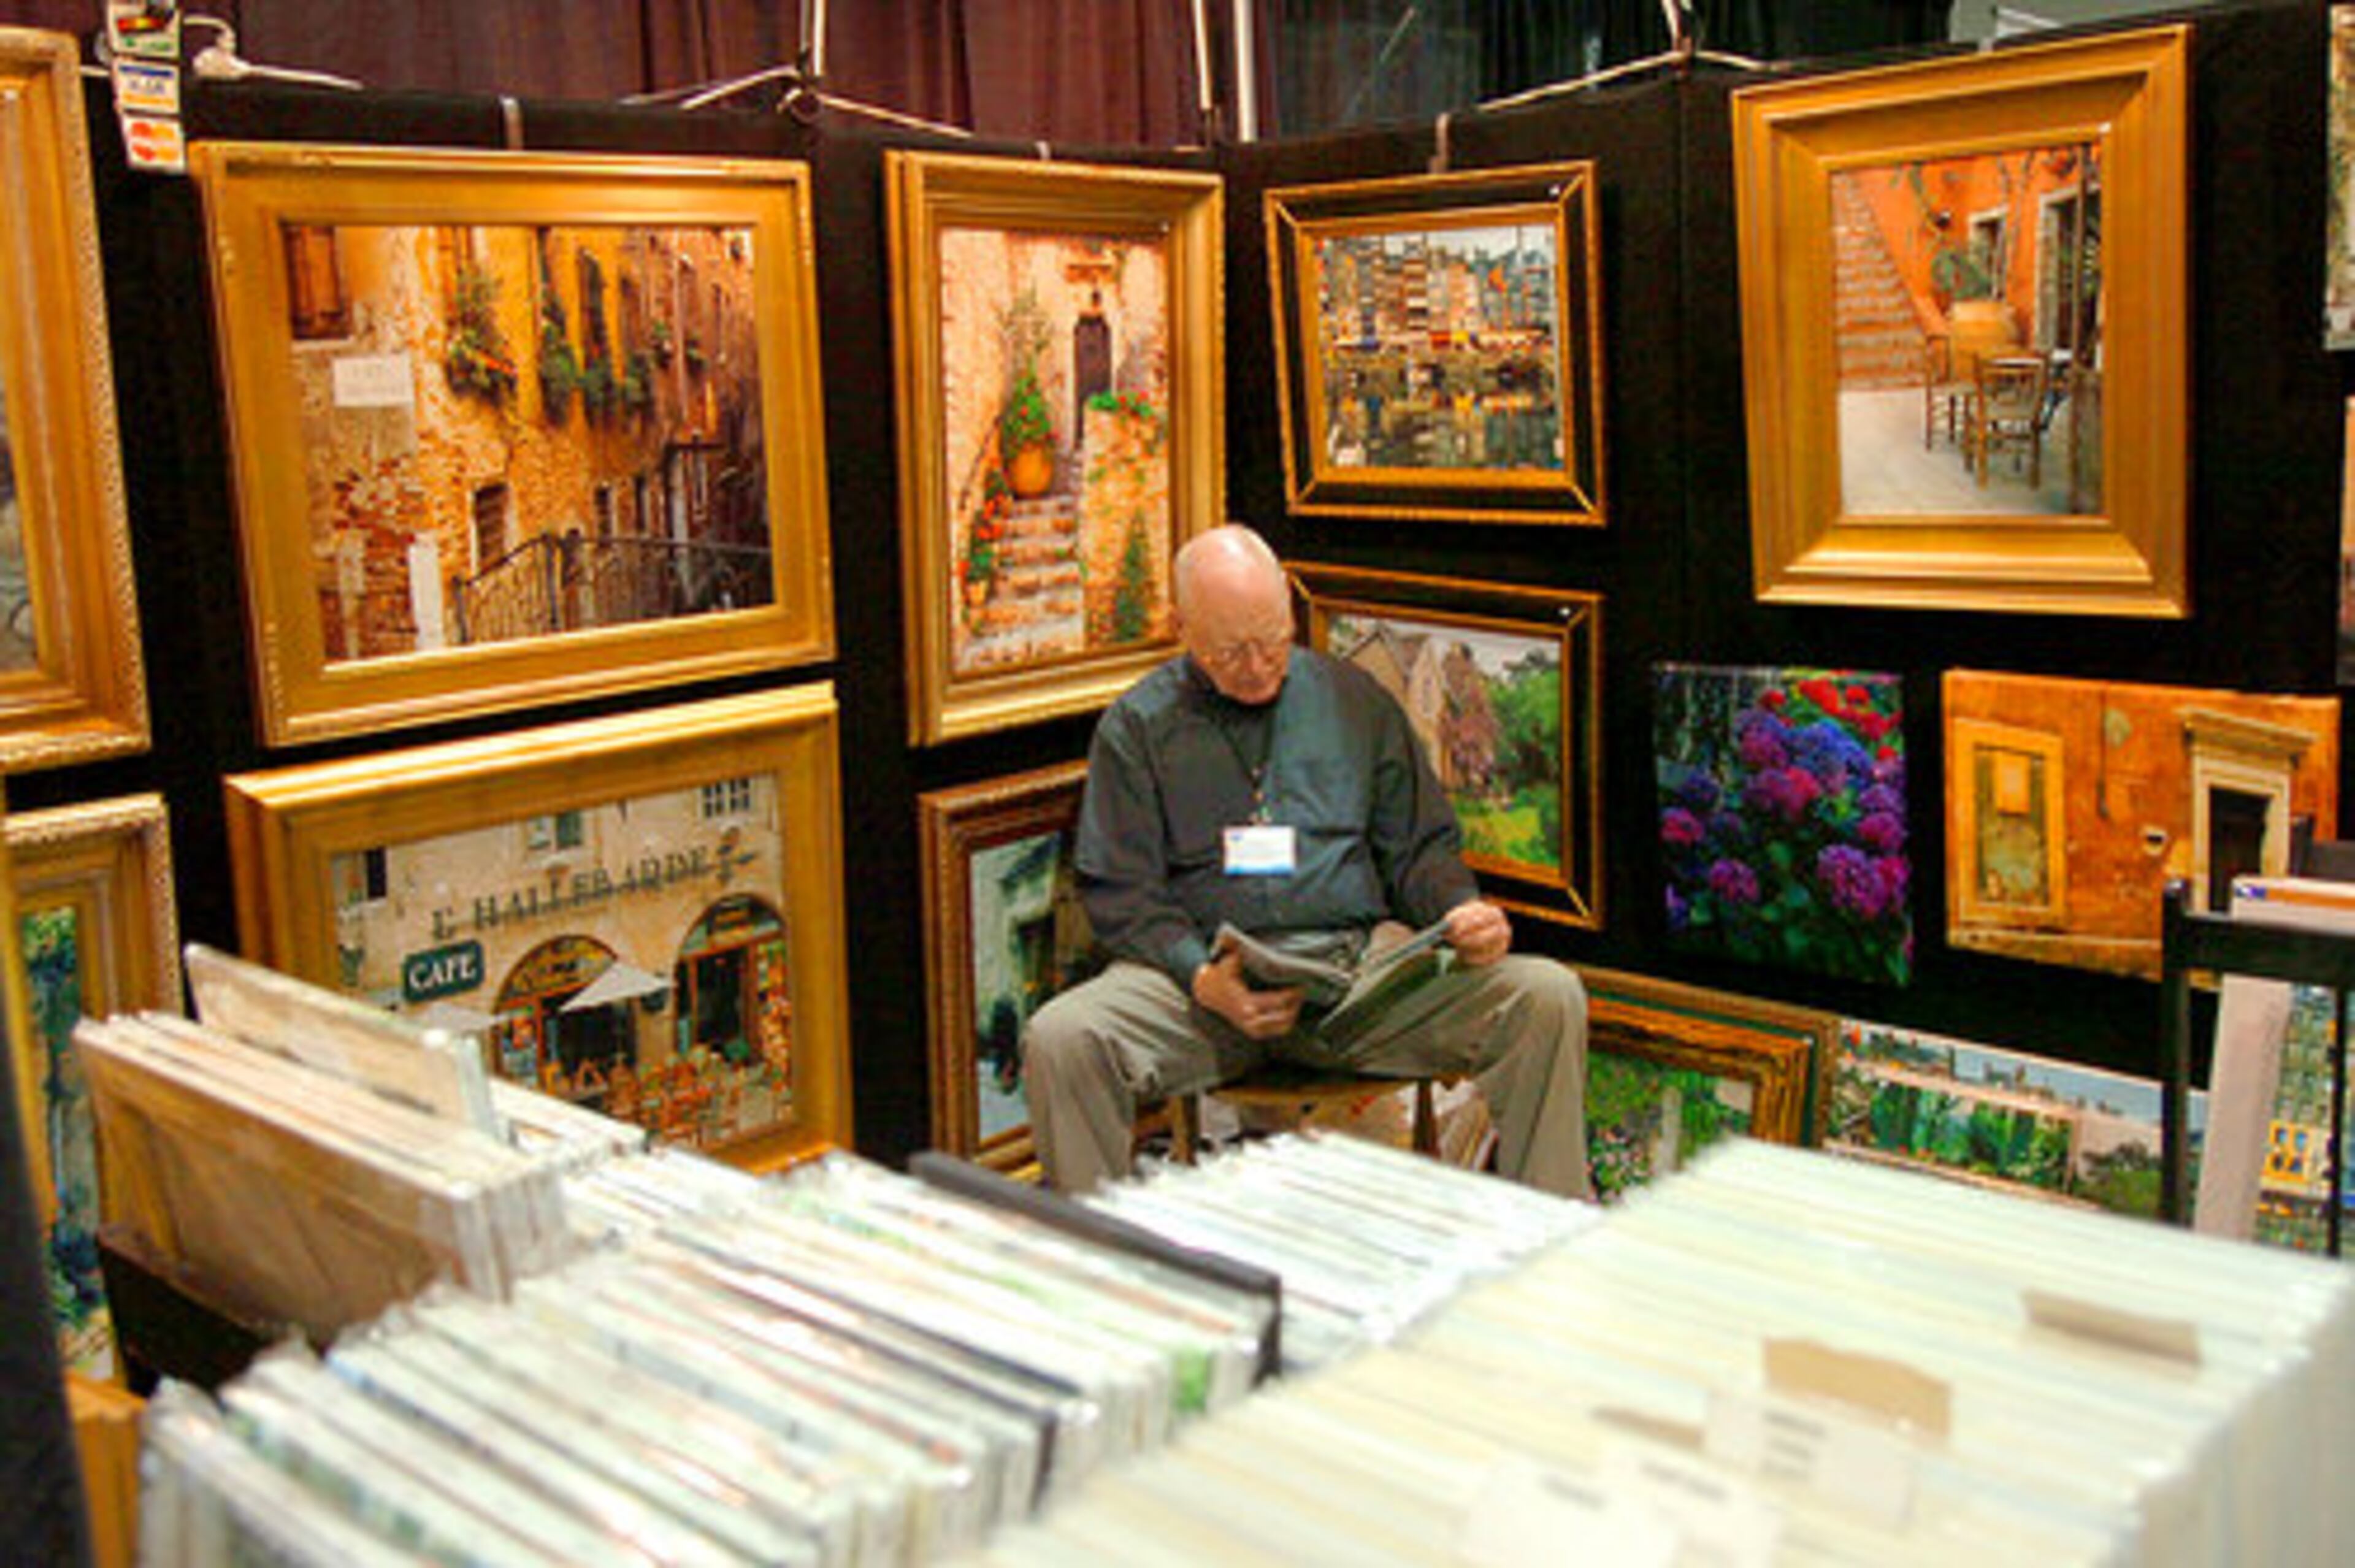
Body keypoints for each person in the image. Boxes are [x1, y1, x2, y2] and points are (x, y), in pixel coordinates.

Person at [1020, 522, 1591, 1196]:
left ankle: (1553, 1253)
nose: (1260, 666)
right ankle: (1101, 1278)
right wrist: (1202, 978)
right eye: (1233, 652)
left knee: (1547, 997)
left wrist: (1460, 908)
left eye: (1274, 640)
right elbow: (1124, 894)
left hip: (1358, 983)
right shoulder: (1138, 728)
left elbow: (1417, 848)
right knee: (1060, 1038)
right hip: (1203, 991)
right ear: (1183, 629)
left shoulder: (1354, 701)